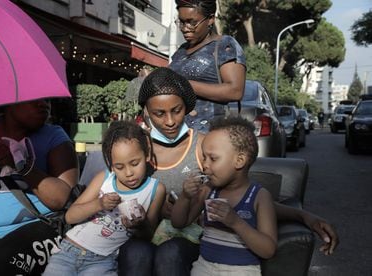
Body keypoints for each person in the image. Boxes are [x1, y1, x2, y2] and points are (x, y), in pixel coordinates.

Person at [117, 67, 339, 276]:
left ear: (186, 106)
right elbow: (111, 187)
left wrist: (303, 216)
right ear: (146, 111)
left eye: (176, 110)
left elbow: (243, 195)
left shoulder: (208, 146)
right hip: (146, 233)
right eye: (159, 113)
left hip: (190, 245)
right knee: (134, 252)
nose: (170, 121)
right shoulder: (135, 150)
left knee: (170, 253)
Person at [0, 99, 79, 275]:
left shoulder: (55, 137)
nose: (44, 104)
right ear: (9, 101)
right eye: (35, 98)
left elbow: (64, 199)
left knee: (4, 261)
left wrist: (20, 165)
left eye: (47, 99)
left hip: (43, 228)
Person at [43, 120, 165, 276]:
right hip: (69, 251)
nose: (128, 173)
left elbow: (148, 235)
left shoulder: (156, 189)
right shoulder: (105, 178)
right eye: (119, 167)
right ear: (110, 164)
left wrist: (138, 225)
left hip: (103, 260)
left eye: (135, 163)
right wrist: (99, 204)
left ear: (147, 154)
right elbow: (69, 217)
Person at [172, 116, 277, 275]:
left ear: (239, 160)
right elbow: (179, 223)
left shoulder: (259, 197)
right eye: (204, 157)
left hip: (242, 270)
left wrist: (235, 222)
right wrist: (185, 197)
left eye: (213, 158)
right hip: (204, 267)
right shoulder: (209, 190)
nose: (205, 165)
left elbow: (268, 250)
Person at [169, 0, 246, 132]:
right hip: (177, 135)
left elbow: (235, 91)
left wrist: (184, 84)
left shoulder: (224, 45)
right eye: (181, 22)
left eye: (192, 22)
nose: (184, 28)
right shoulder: (181, 51)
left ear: (210, 19)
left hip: (210, 136)